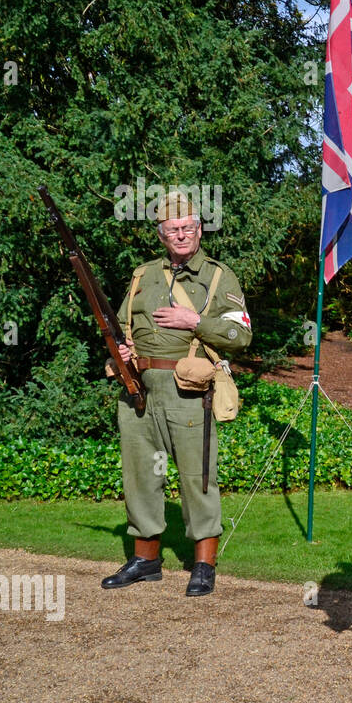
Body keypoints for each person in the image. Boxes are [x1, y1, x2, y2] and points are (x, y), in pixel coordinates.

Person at [102, 191, 251, 597]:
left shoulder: (219, 277)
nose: (181, 235)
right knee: (140, 477)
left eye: (188, 227)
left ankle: (203, 564)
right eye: (173, 229)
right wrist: (125, 349)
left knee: (197, 477)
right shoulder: (142, 276)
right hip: (138, 390)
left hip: (189, 390)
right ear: (161, 235)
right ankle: (145, 559)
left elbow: (241, 334)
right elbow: (117, 326)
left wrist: (196, 320)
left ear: (200, 230)